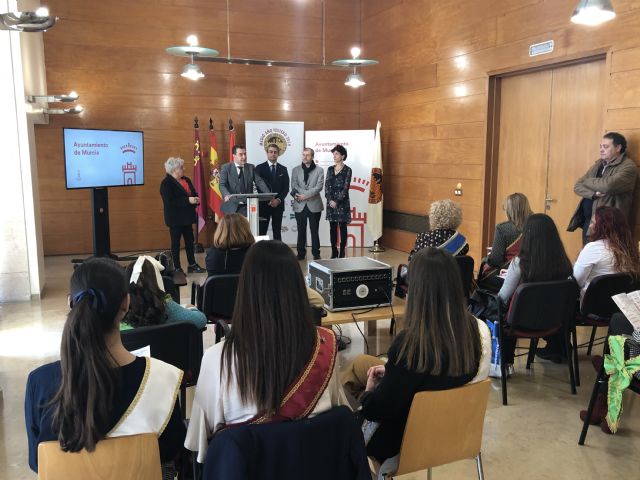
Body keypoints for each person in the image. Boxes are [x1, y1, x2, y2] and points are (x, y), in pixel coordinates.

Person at [185, 241, 347, 463]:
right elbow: (338, 417)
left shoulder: (218, 359)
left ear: (245, 289)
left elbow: (199, 445)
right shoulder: (326, 345)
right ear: (299, 289)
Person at [24, 258, 185, 474]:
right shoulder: (163, 379)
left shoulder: (39, 383)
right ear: (126, 303)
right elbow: (170, 453)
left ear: (71, 302)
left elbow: (38, 462)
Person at [341, 248, 490, 465]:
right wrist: (392, 372)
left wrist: (369, 392)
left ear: (416, 290)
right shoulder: (476, 330)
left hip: (405, 440)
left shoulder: (410, 346)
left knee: (345, 394)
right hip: (456, 432)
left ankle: (356, 457)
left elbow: (378, 410)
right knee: (361, 363)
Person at [497, 214, 573, 366]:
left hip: (520, 322)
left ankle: (505, 363)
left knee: (492, 309)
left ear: (527, 235)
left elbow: (502, 297)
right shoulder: (563, 262)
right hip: (554, 321)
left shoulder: (520, 263)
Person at [568, 132, 638, 245]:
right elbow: (577, 186)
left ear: (618, 148)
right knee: (588, 253)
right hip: (590, 223)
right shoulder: (598, 164)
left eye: (605, 147)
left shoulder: (628, 167)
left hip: (609, 226)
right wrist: (594, 194)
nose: (601, 150)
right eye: (600, 146)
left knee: (604, 255)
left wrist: (586, 181)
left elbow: (608, 186)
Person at [574, 206, 640, 301]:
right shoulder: (630, 249)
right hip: (621, 304)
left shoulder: (593, 248)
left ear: (603, 227)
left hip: (593, 304)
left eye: (593, 222)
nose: (590, 226)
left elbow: (576, 281)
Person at [122, 255, 206, 330]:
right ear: (155, 280)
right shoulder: (167, 307)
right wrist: (192, 308)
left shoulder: (120, 314)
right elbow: (201, 320)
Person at [160, 157, 205, 274]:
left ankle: (192, 265)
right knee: (176, 244)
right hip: (175, 219)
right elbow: (170, 202)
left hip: (187, 217)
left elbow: (193, 192)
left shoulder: (186, 179)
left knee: (190, 242)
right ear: (174, 170)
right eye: (181, 167)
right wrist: (188, 200)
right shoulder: (166, 183)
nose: (183, 169)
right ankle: (177, 268)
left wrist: (196, 199)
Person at [478, 193, 532, 290]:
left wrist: (486, 258)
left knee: (484, 268)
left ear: (509, 210)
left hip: (508, 275)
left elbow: (496, 261)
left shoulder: (502, 229)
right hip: (532, 275)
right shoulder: (536, 226)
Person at [291, 147, 325, 260]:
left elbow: (319, 187)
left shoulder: (319, 170)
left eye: (308, 155)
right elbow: (294, 185)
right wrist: (303, 195)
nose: (305, 157)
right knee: (301, 230)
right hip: (300, 205)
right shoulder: (295, 170)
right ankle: (301, 253)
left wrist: (304, 195)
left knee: (314, 230)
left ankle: (316, 253)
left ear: (312, 157)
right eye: (303, 154)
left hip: (314, 205)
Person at [219, 144, 270, 216]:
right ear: (234, 156)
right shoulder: (226, 168)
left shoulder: (250, 167)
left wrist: (268, 194)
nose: (244, 157)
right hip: (231, 206)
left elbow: (259, 182)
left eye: (245, 154)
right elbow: (222, 185)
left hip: (247, 206)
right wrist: (226, 195)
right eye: (241, 154)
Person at [256, 144, 289, 241]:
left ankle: (278, 251)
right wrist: (269, 199)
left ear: (278, 154)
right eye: (271, 152)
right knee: (262, 231)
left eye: (275, 152)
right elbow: (258, 186)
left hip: (278, 205)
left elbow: (286, 188)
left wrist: (278, 200)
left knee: (277, 231)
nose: (273, 154)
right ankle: (260, 250)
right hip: (263, 204)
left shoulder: (283, 169)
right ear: (267, 153)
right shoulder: (259, 168)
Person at [325, 145, 352, 258]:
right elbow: (327, 186)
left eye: (336, 154)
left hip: (342, 204)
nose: (334, 156)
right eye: (333, 154)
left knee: (342, 228)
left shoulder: (348, 170)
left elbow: (346, 188)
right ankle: (334, 251)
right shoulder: (330, 169)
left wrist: (337, 201)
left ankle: (342, 252)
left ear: (343, 156)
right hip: (331, 203)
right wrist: (330, 200)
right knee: (332, 228)